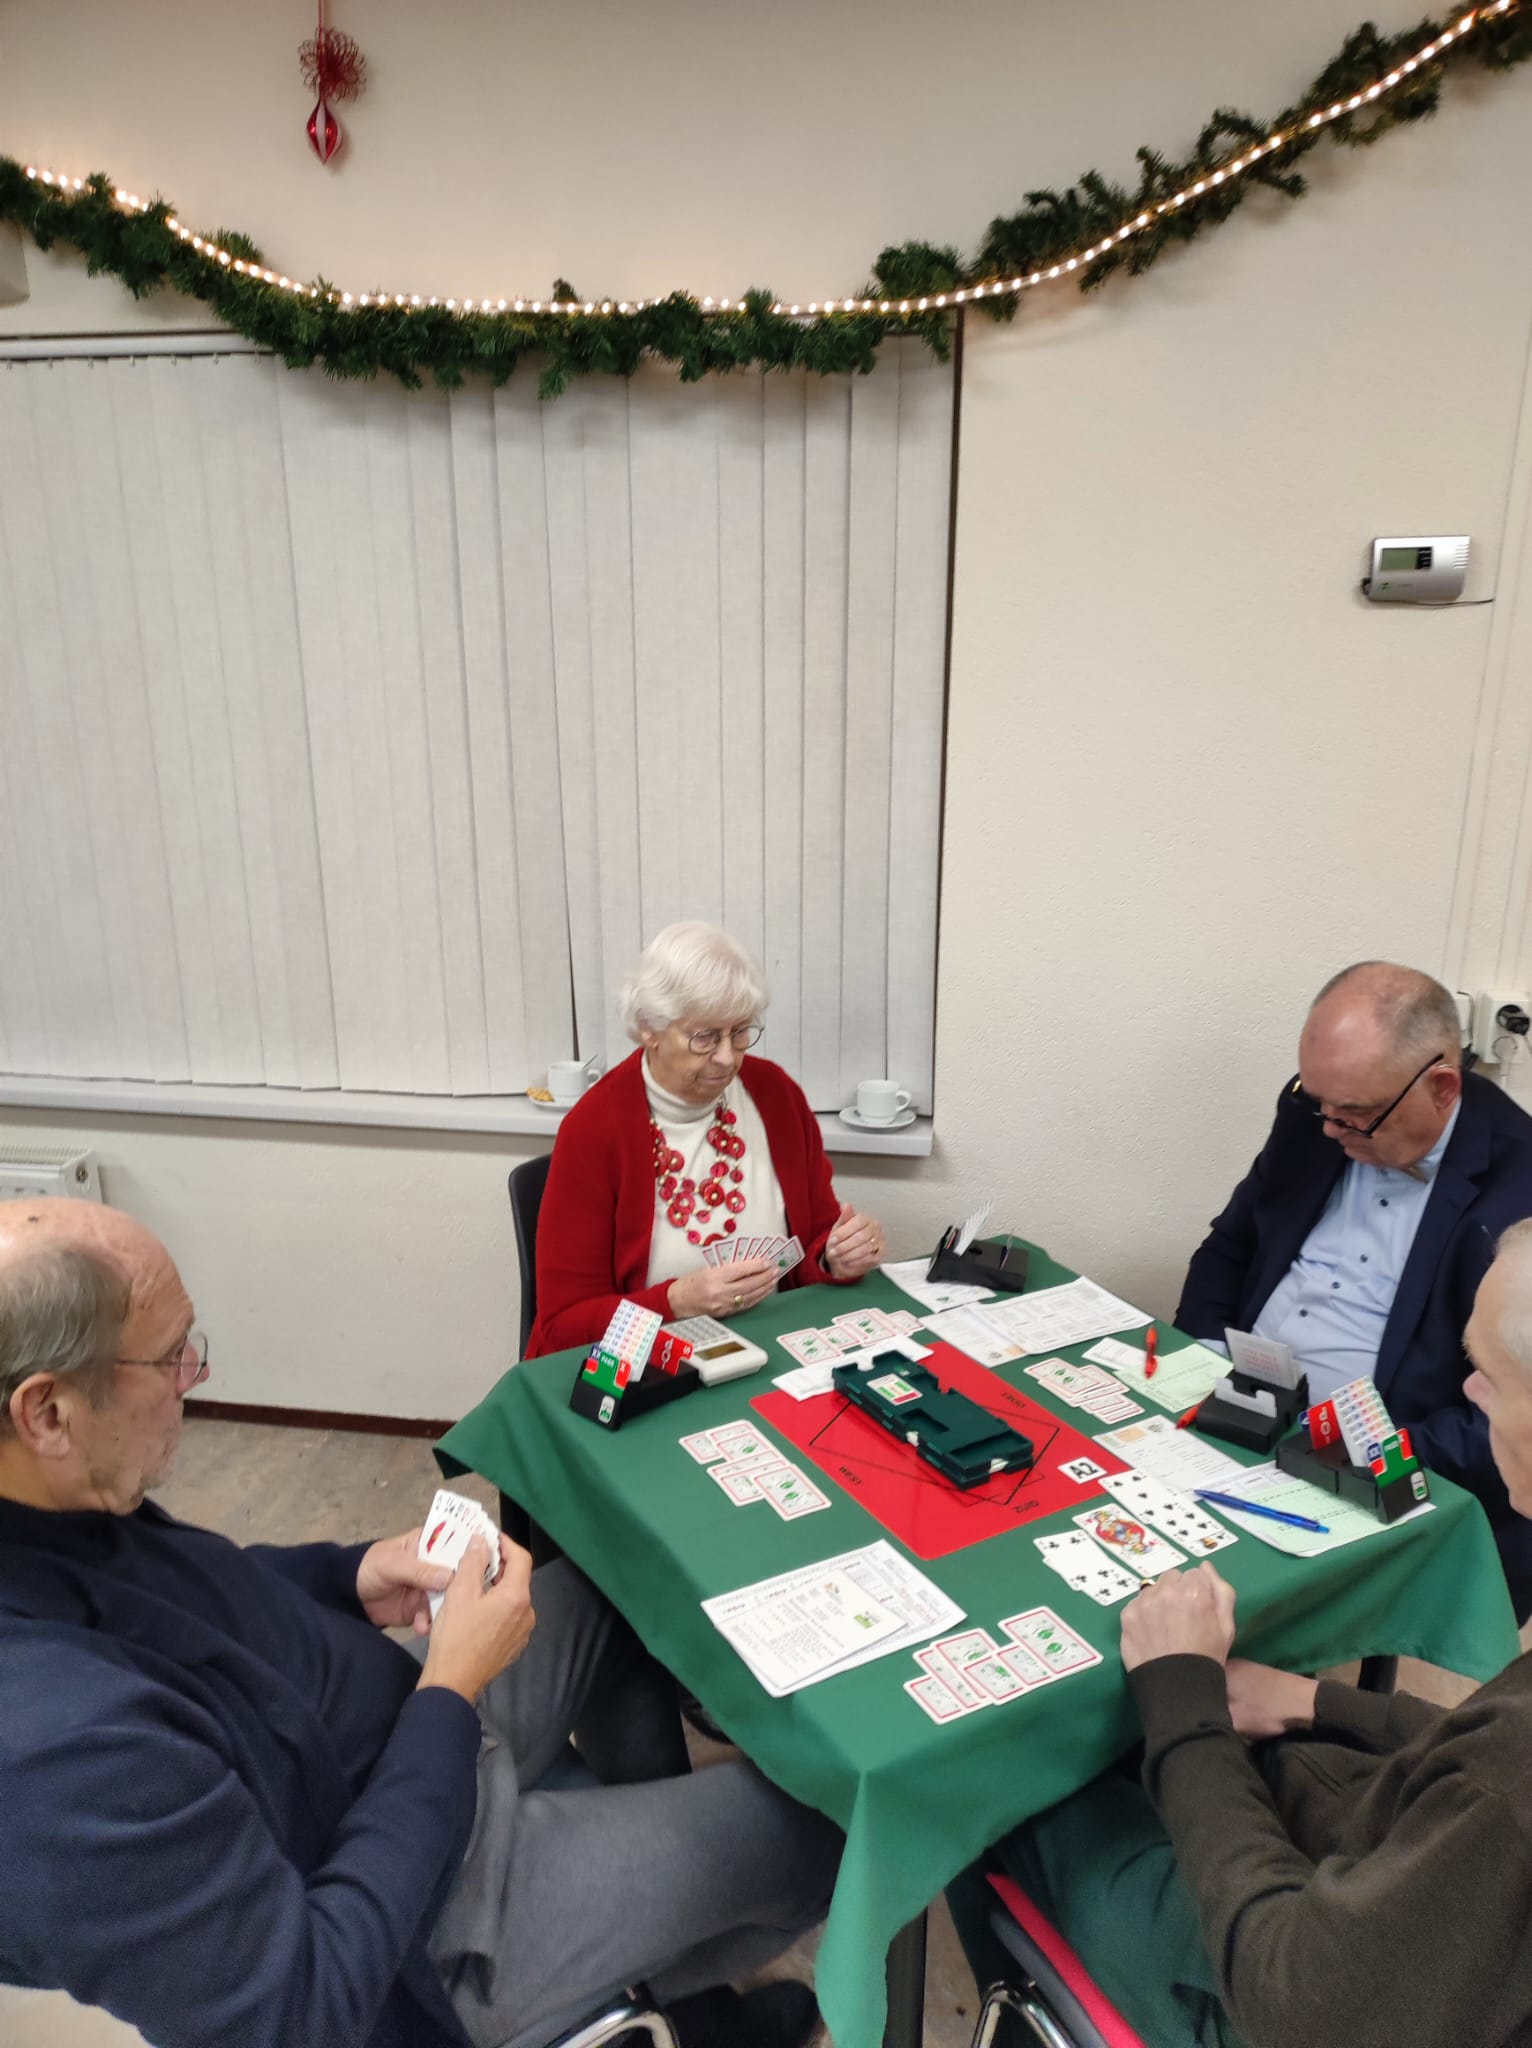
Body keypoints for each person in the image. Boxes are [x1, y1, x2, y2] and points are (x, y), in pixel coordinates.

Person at [0, 1198, 840, 2048]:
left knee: (620, 1593)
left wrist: (347, 1574)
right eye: (170, 1355)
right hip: (426, 1920)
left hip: (412, 1743)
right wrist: (449, 1693)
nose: (196, 1374)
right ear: (48, 1413)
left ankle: (664, 1953)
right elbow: (309, 2014)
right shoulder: (59, 1761)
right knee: (823, 1829)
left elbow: (184, 1600)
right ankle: (636, 1986)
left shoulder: (47, 1496)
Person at [953, 1218, 1532, 2048]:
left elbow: (1292, 1999)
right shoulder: (1498, 1778)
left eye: (1489, 1376)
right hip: (1393, 1870)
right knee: (1156, 1743)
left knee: (999, 1775)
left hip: (1273, 1990)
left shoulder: (1506, 1790)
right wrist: (1316, 1701)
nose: (1468, 1392)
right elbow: (1479, 1758)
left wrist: (1184, 1705)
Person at [1176, 959, 1532, 1615]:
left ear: (1443, 1087)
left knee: (1219, 1611)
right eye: (1319, 1103)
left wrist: (1356, 1451)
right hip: (1245, 1402)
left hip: (1385, 1457)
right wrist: (1201, 1356)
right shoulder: (1322, 1111)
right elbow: (1231, 1244)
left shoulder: (1521, 1183)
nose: (1329, 1129)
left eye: (1355, 1115)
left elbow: (1512, 1414)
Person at [529, 922, 887, 1356]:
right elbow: (563, 1328)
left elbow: (810, 1251)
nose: (727, 1057)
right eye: (705, 1037)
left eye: (740, 1032)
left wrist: (836, 1257)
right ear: (649, 1028)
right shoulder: (593, 1130)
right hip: (650, 1366)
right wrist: (675, 1302)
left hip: (770, 1350)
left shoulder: (776, 1096)